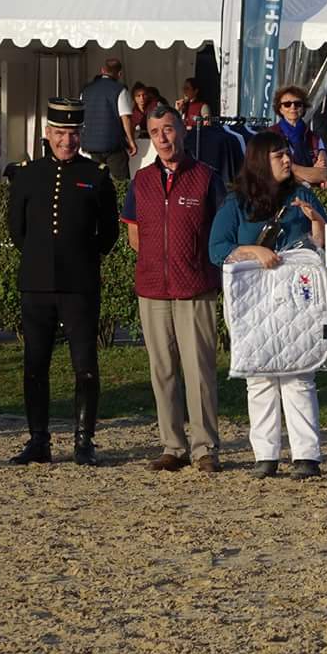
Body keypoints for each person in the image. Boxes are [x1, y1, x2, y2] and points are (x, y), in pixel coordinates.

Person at [209, 131, 327, 480]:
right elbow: (218, 249)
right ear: (261, 161)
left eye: (287, 153)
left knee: (298, 372)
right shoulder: (236, 204)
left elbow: (323, 246)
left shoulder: (301, 196)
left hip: (295, 299)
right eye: (278, 156)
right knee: (259, 376)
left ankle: (306, 454)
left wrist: (317, 222)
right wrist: (253, 251)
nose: (287, 160)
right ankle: (266, 454)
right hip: (253, 300)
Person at [6, 99, 119, 466]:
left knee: (84, 364)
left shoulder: (97, 175)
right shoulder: (27, 174)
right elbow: (17, 230)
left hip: (79, 284)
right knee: (35, 363)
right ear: (47, 134)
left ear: (81, 135)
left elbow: (109, 233)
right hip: (36, 283)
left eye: (72, 134)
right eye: (59, 133)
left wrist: (82, 258)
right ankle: (38, 440)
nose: (66, 141)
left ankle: (84, 442)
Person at [122, 104, 227, 473]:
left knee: (199, 369)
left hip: (195, 286)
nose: (163, 138)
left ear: (182, 130)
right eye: (155, 133)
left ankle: (204, 448)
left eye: (168, 130)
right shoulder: (142, 181)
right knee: (162, 369)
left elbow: (220, 230)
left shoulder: (206, 177)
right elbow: (135, 234)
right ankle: (172, 446)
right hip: (152, 287)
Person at [78, 58, 136, 179]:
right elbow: (125, 118)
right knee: (121, 182)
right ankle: (121, 199)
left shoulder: (86, 90)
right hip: (112, 144)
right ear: (119, 74)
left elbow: (81, 116)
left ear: (102, 70)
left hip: (90, 144)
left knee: (95, 180)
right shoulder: (120, 90)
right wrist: (131, 141)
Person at [270, 84, 327, 186]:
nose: (293, 107)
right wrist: (311, 173)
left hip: (310, 196)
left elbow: (323, 174)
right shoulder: (270, 135)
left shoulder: (314, 138)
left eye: (297, 104)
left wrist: (291, 168)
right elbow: (273, 173)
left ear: (303, 107)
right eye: (287, 104)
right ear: (280, 109)